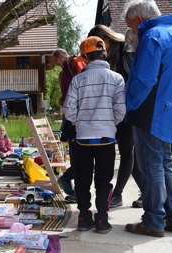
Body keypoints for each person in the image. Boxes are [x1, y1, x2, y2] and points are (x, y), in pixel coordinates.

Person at [123, 0, 172, 237]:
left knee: (151, 167)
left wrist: (128, 106)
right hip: (170, 110)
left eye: (131, 26)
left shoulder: (152, 36)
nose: (132, 32)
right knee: (165, 164)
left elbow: (143, 79)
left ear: (140, 20)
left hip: (149, 112)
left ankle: (153, 221)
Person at [63, 36, 126, 234]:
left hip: (83, 138)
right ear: (104, 53)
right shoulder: (116, 79)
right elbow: (121, 110)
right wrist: (109, 124)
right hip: (106, 138)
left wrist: (80, 122)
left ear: (85, 56)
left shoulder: (78, 80)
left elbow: (69, 110)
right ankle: (102, 221)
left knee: (82, 178)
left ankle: (84, 217)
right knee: (104, 180)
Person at [88, 24, 143, 209]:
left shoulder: (125, 51)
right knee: (129, 153)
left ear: (107, 38)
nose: (98, 49)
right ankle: (147, 191)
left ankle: (117, 195)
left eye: (99, 44)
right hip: (116, 111)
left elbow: (134, 81)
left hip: (129, 109)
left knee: (127, 152)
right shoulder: (110, 55)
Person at [52, 48, 86, 203]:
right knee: (76, 154)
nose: (55, 64)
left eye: (55, 60)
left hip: (78, 115)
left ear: (60, 56)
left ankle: (68, 181)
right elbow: (67, 91)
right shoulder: (64, 72)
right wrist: (62, 100)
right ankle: (74, 190)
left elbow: (81, 84)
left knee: (81, 156)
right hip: (71, 114)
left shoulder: (73, 63)